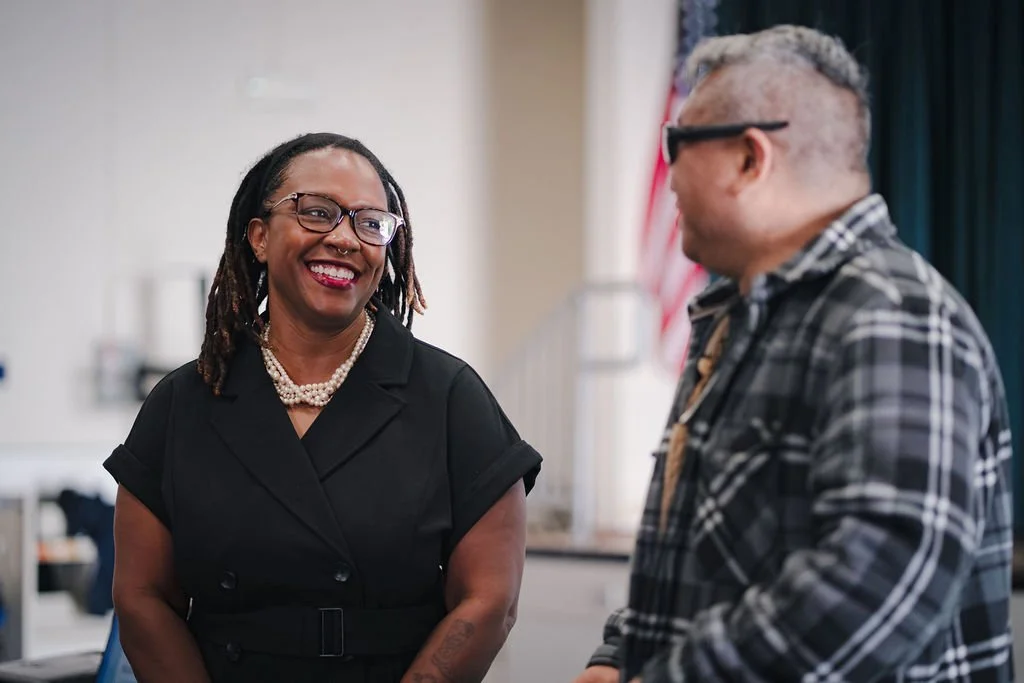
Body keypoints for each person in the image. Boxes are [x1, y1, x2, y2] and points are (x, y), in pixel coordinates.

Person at [575, 25, 1014, 683]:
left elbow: (877, 582)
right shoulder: (748, 317)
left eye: (678, 144)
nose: (668, 179)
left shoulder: (890, 314)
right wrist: (619, 658)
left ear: (750, 159)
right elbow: (707, 551)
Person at [105, 133, 542, 683]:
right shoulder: (183, 403)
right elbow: (142, 596)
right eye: (317, 212)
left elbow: (489, 601)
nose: (344, 238)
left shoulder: (450, 397)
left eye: (370, 223)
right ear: (259, 237)